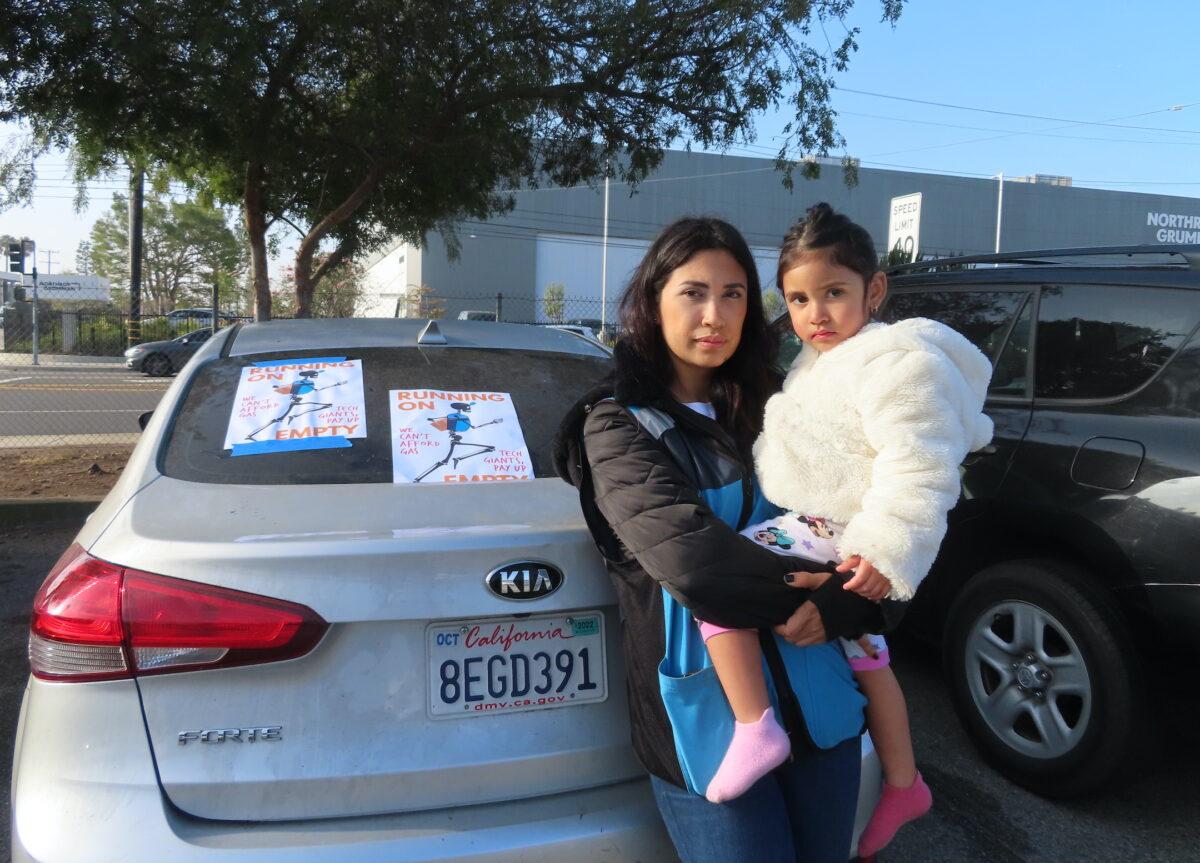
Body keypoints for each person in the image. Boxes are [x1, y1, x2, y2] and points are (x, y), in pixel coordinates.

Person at [553, 216, 898, 863]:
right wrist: (828, 601)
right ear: (652, 301)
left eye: (734, 293)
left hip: (822, 711)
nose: (714, 313)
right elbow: (699, 566)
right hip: (713, 731)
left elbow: (863, 515)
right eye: (693, 292)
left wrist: (856, 598)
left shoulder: (781, 405)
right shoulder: (617, 425)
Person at [697, 203, 994, 857]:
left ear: (875, 289)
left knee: (717, 581)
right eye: (799, 298)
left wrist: (884, 549)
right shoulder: (820, 361)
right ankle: (903, 780)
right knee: (870, 658)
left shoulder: (898, 363)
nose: (816, 314)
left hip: (841, 530)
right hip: (832, 529)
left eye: (833, 293)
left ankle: (755, 726)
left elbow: (920, 466)